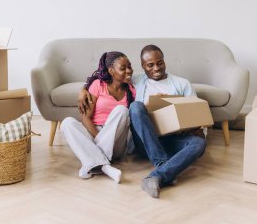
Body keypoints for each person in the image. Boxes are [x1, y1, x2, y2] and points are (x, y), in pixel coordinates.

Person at [78, 45, 206, 197]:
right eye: (150, 65)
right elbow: (107, 78)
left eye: (160, 63)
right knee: (136, 106)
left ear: (164, 61)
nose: (156, 68)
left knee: (200, 143)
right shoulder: (136, 80)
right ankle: (162, 164)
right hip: (146, 141)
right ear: (143, 66)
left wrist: (193, 124)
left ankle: (158, 175)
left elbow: (197, 122)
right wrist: (84, 89)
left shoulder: (182, 84)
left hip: (174, 139)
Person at [61, 51, 135, 183]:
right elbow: (85, 118)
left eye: (130, 66)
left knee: (122, 110)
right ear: (111, 71)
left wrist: (99, 143)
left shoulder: (132, 90)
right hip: (94, 132)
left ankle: (91, 161)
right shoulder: (98, 85)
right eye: (123, 68)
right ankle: (106, 167)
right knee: (67, 123)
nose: (129, 70)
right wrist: (99, 138)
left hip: (116, 141)